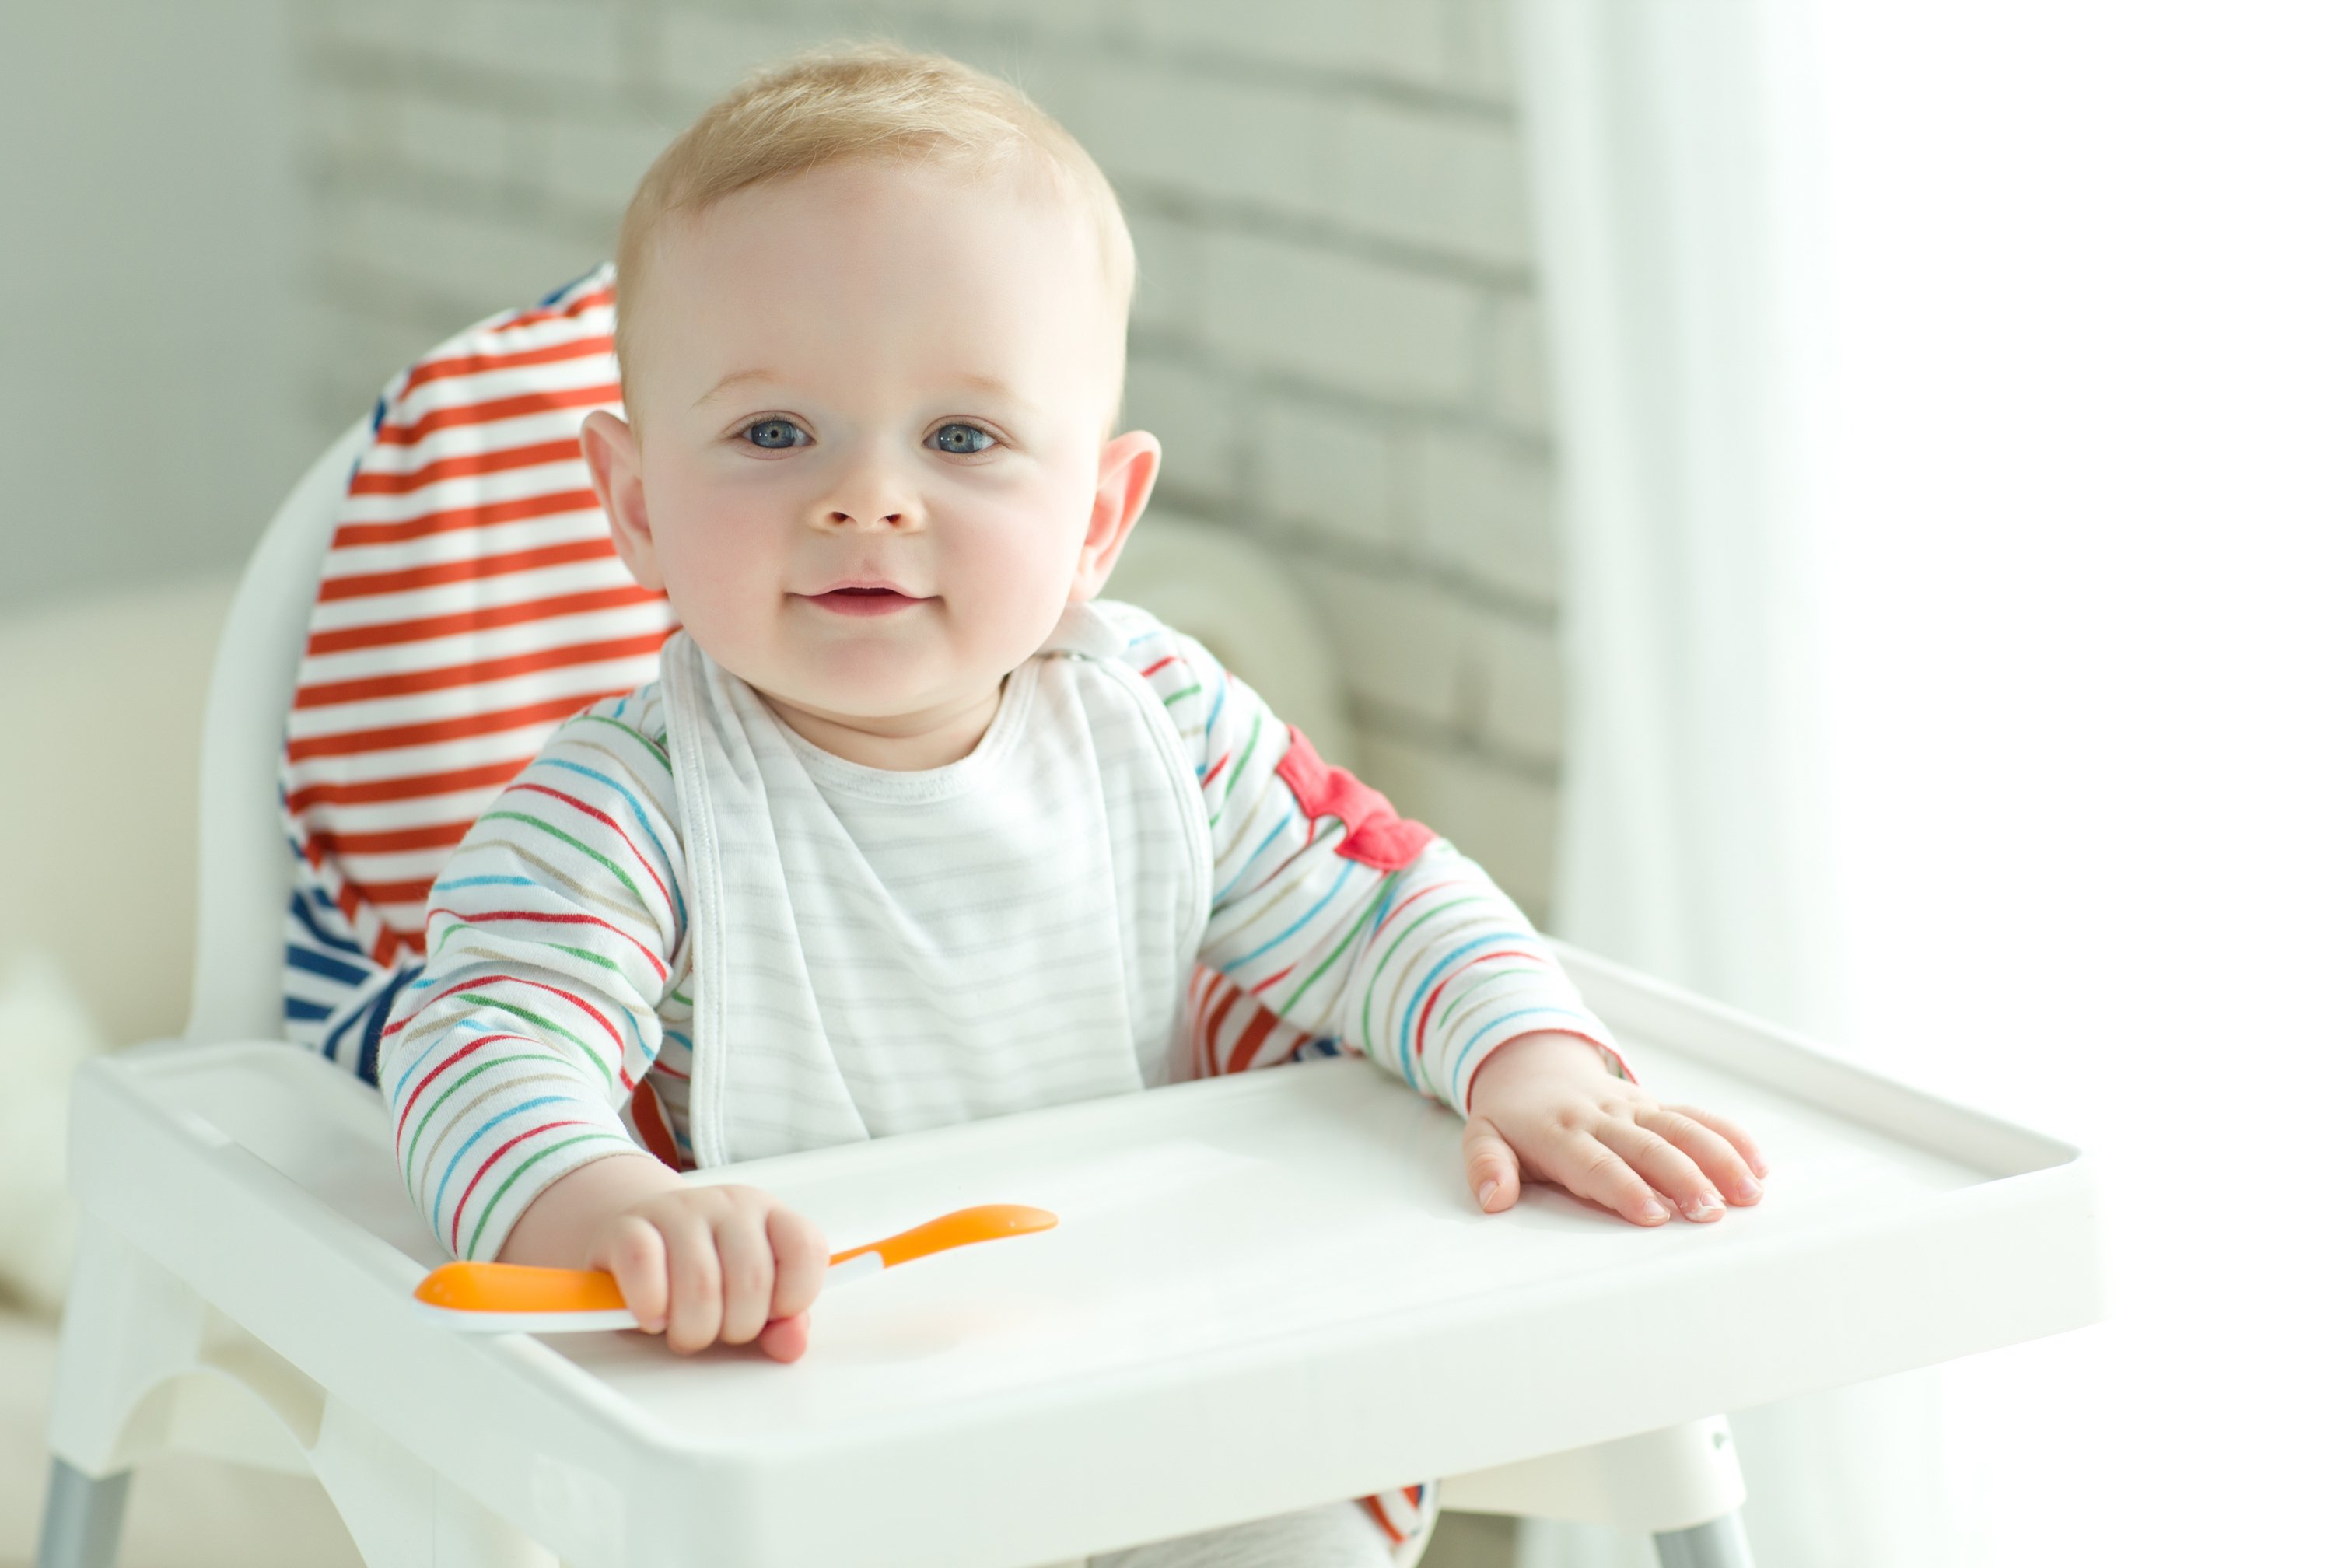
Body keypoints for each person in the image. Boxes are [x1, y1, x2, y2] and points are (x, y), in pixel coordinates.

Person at [378, 43, 1766, 1566]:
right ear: (637, 506)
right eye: (776, 433)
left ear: (1098, 517)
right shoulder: (621, 808)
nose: (869, 498)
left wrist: (1530, 1061)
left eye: (962, 437)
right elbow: (483, 1038)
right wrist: (606, 1209)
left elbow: (1373, 896)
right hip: (825, 1429)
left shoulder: (1159, 720)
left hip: (1166, 1382)